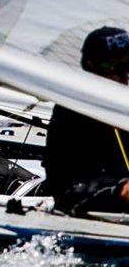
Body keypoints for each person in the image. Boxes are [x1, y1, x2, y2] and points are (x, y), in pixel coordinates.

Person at [44, 26, 129, 215]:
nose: (125, 75)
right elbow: (65, 188)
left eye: (128, 66)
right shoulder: (72, 114)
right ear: (92, 66)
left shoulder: (124, 107)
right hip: (90, 213)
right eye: (116, 66)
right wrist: (120, 192)